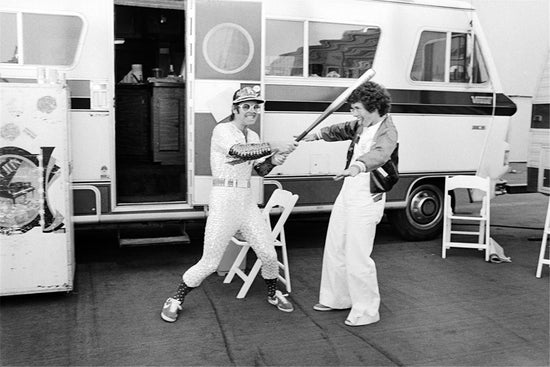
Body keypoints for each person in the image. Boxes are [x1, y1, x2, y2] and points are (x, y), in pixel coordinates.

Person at [161, 86, 298, 323]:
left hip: (246, 202)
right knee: (210, 262)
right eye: (246, 106)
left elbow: (259, 169)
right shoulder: (222, 130)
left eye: (256, 107)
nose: (252, 111)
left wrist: (274, 160)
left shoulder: (253, 137)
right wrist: (276, 144)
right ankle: (176, 299)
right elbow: (240, 152)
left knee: (267, 253)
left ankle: (273, 293)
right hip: (224, 200)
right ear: (235, 109)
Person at [301, 81, 398, 326]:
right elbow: (341, 129)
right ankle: (336, 299)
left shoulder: (387, 130)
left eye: (356, 108)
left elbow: (381, 154)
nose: (353, 113)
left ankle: (366, 311)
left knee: (357, 254)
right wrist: (316, 135)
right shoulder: (361, 124)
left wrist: (355, 167)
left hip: (367, 196)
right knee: (335, 244)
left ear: (373, 107)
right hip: (349, 191)